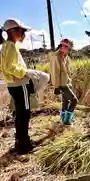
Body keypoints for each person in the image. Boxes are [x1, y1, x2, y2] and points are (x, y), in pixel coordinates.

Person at [0, 18, 41, 155]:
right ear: (14, 31)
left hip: (13, 84)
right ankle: (24, 146)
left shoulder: (6, 46)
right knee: (24, 114)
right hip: (20, 84)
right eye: (22, 30)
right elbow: (10, 67)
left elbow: (5, 67)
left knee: (20, 113)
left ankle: (21, 142)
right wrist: (25, 72)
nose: (24, 34)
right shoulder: (11, 46)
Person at [49, 39, 77, 125]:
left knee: (65, 102)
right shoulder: (56, 56)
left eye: (68, 48)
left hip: (66, 82)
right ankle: (67, 121)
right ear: (61, 46)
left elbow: (67, 71)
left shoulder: (65, 57)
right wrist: (56, 87)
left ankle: (63, 118)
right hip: (61, 84)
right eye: (62, 45)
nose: (68, 50)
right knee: (74, 100)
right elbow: (55, 73)